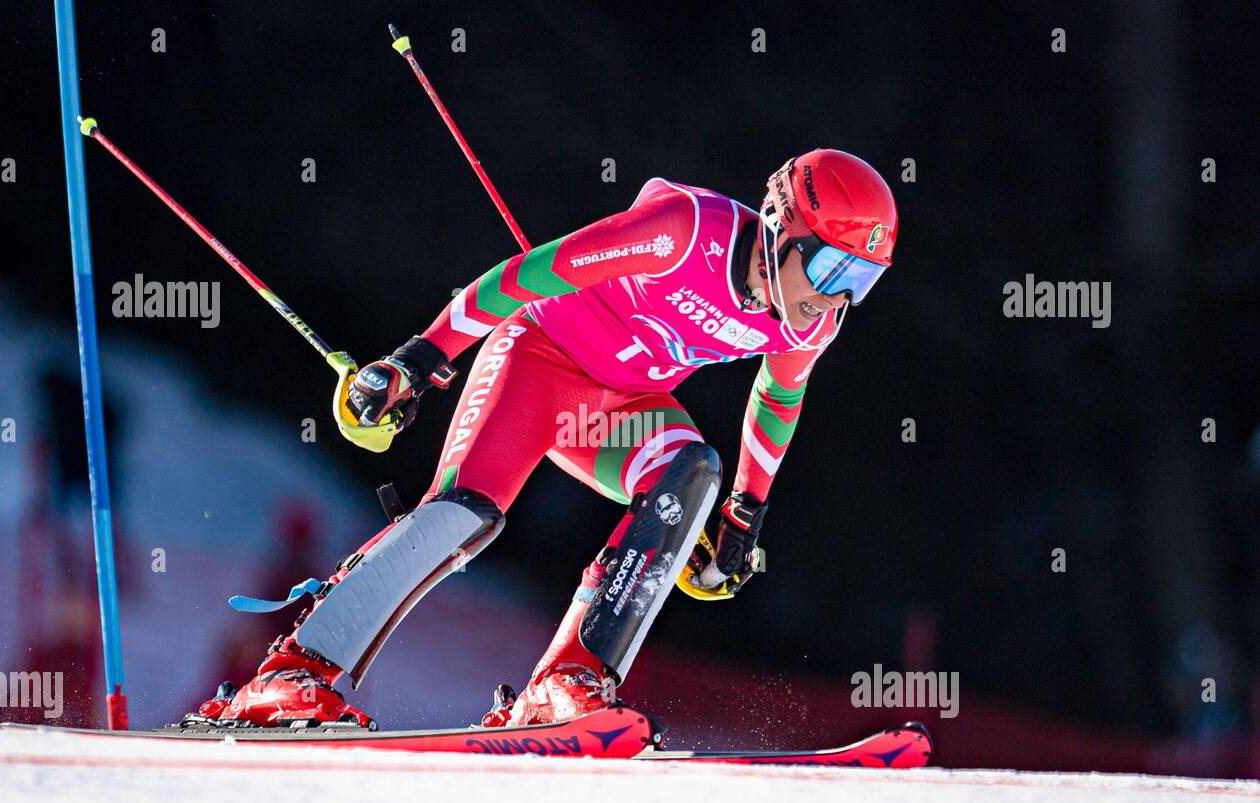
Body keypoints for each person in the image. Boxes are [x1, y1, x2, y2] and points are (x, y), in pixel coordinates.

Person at [194, 149, 898, 730]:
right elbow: (529, 276)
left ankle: (567, 686)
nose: (836, 296)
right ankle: (292, 673)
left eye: (859, 281)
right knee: (464, 516)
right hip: (537, 361)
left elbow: (778, 396)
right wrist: (419, 359)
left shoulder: (810, 322)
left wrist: (744, 516)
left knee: (691, 475)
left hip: (622, 404)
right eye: (831, 269)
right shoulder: (683, 231)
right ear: (780, 229)